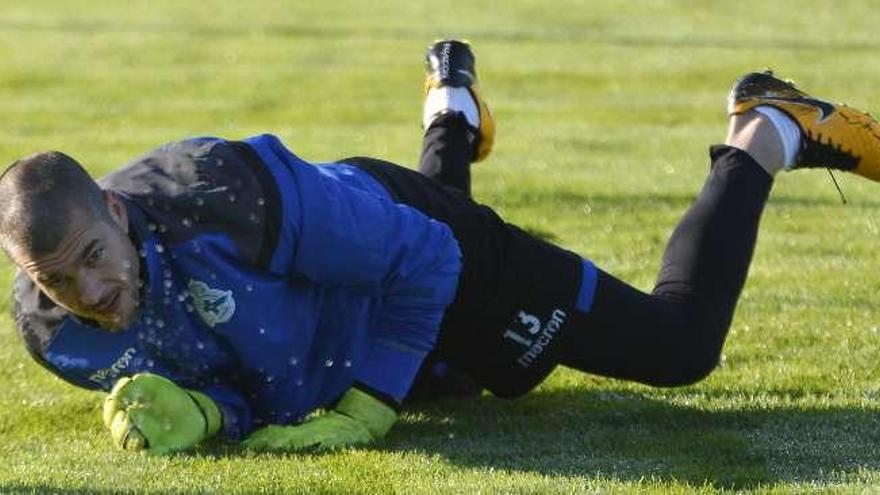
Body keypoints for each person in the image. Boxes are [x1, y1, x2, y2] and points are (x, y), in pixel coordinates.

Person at [4, 39, 880, 454]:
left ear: (117, 210)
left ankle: (766, 127)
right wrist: (206, 414)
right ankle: (452, 109)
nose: (88, 290)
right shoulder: (60, 336)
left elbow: (423, 258)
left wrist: (372, 398)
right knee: (462, 376)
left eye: (91, 254)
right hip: (343, 279)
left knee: (677, 345)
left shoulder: (229, 196)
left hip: (406, 233)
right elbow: (218, 362)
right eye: (56, 278)